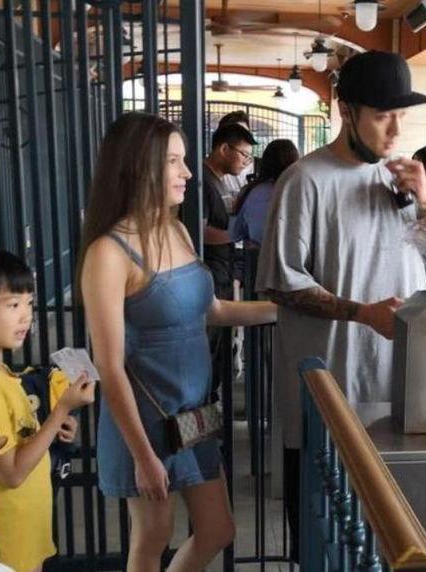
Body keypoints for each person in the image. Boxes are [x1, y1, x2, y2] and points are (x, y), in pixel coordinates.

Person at [255, 50, 426, 564]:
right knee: (323, 545)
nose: (395, 130)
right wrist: (363, 313)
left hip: (395, 398)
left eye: (401, 115)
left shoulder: (398, 179)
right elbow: (281, 284)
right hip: (328, 402)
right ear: (346, 111)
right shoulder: (305, 180)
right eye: (383, 116)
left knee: (389, 545)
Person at [77, 112, 276, 572]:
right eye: (173, 161)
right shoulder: (108, 253)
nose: (187, 172)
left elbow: (213, 311)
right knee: (153, 536)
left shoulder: (177, 229)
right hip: (145, 420)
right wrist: (143, 456)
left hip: (193, 414)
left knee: (218, 529)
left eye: (184, 160)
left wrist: (286, 310)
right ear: (137, 166)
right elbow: (109, 365)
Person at [0, 247, 94, 572]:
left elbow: (23, 442)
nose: (26, 316)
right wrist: (61, 410)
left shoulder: (4, 375)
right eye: (13, 305)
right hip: (6, 546)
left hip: (23, 533)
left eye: (30, 304)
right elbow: (12, 474)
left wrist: (54, 426)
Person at [203, 123, 258, 392]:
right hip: (210, 273)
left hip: (223, 273)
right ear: (224, 149)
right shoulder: (202, 182)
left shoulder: (218, 180)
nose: (246, 162)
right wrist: (238, 233)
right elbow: (199, 232)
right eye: (244, 154)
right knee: (210, 347)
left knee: (219, 348)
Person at [231, 139, 299, 248]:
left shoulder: (250, 191)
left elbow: (234, 234)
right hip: (294, 254)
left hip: (257, 255)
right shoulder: (302, 191)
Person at [217, 110, 253, 202]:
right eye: (238, 135)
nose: (243, 140)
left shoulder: (259, 168)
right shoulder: (214, 175)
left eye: (246, 134)